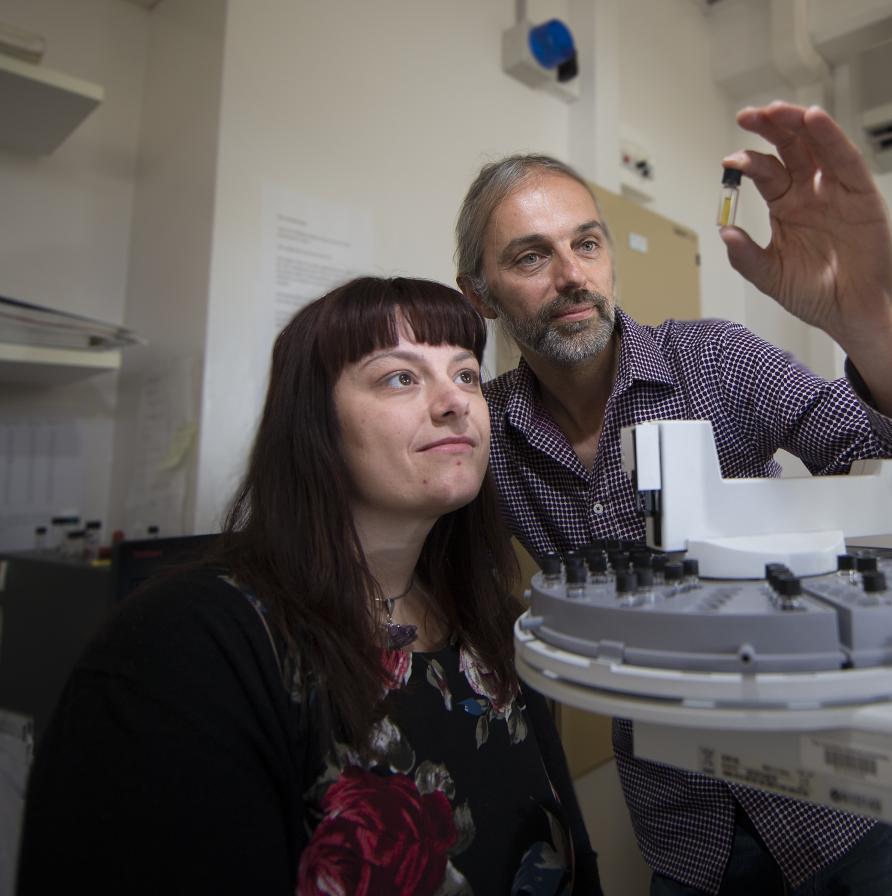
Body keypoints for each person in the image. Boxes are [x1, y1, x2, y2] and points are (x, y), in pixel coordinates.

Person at [454, 103, 892, 895]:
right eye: (532, 256)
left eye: (587, 243)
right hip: (686, 832)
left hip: (836, 802)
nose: (572, 274)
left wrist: (880, 329)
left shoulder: (715, 362)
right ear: (482, 295)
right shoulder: (490, 432)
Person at [18, 277, 601, 895]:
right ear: (314, 424)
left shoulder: (490, 626)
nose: (455, 401)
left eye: (465, 375)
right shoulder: (182, 648)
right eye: (400, 377)